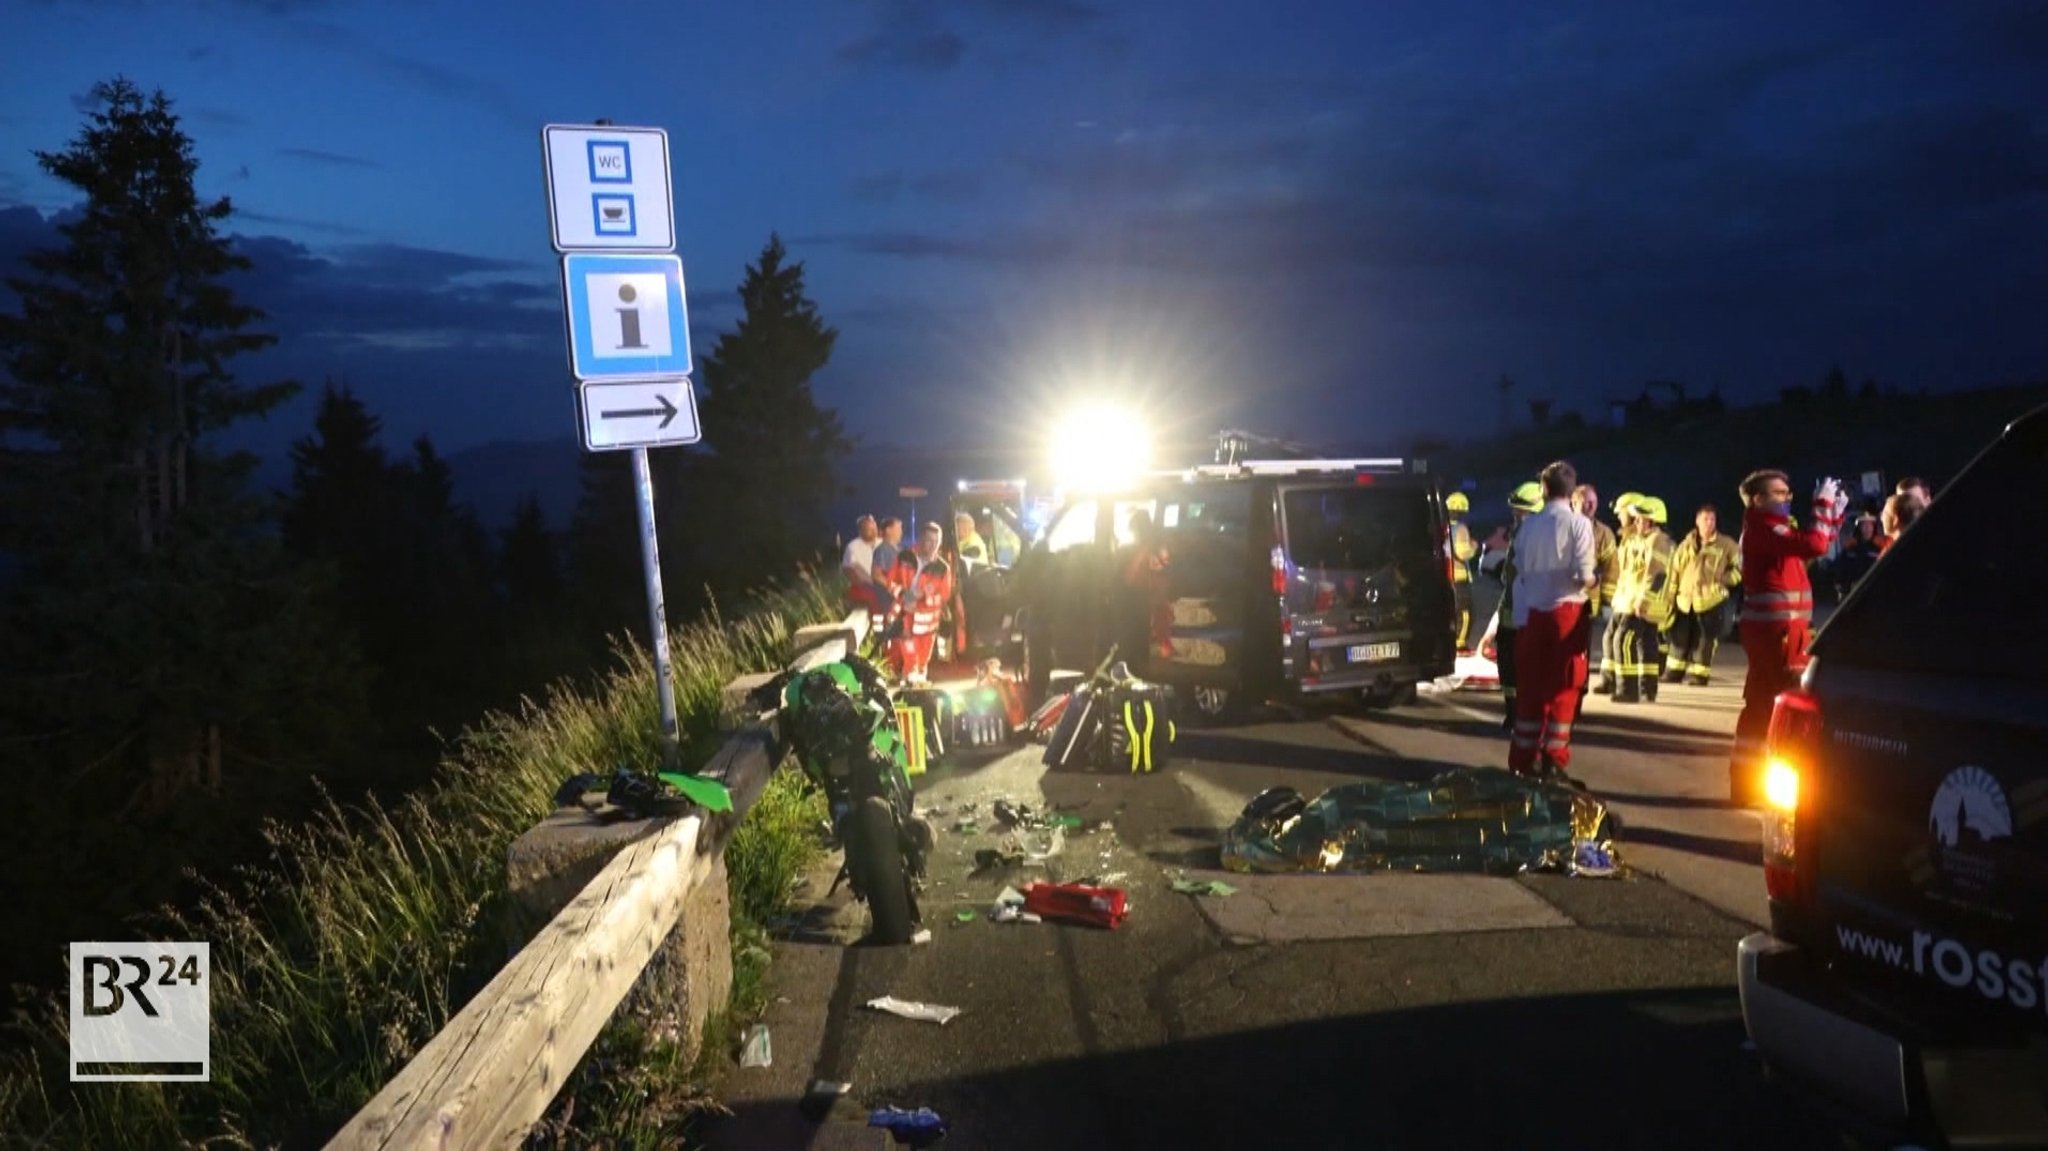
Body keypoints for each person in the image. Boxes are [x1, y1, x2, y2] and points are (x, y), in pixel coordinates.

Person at [1730, 469, 1846, 806]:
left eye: (1788, 493)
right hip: (1775, 634)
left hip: (1781, 632)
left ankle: (1749, 785)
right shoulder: (1763, 529)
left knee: (1762, 705)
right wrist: (1823, 506)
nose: (1787, 499)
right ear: (1758, 499)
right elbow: (1814, 543)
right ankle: (1767, 786)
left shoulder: (1770, 528)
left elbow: (1815, 548)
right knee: (1780, 706)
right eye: (1780, 493)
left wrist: (1833, 515)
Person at [1508, 461, 1597, 781]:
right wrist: (1594, 582)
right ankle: (1553, 760)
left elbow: (1519, 568)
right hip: (1566, 617)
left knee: (1530, 690)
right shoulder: (1578, 525)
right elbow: (1582, 575)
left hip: (1531, 616)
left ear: (1543, 490)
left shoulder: (1527, 527)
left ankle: (1522, 760)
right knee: (1563, 690)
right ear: (1571, 491)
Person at [1482, 480, 1544, 732]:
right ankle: (1513, 713)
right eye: (1515, 511)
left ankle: (1525, 717)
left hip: (1527, 620)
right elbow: (1509, 585)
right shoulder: (1520, 536)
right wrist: (1493, 627)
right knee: (1508, 671)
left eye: (1521, 512)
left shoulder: (1541, 542)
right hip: (1510, 619)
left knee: (1526, 672)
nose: (1516, 516)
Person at [1666, 504, 1742, 685]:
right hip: (1685, 600)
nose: (1709, 523)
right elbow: (1674, 572)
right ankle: (1674, 672)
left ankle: (1699, 675)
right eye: (1706, 519)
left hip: (1711, 600)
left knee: (1704, 640)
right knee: (1680, 636)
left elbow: (1740, 569)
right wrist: (1670, 596)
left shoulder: (1726, 544)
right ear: (1697, 521)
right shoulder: (1685, 545)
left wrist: (1724, 580)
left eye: (1712, 519)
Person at [1611, 496, 1676, 704]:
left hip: (1642, 602)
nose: (1636, 522)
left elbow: (1657, 575)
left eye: (1640, 519)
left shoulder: (1658, 540)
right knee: (1647, 644)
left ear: (1653, 521)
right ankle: (1648, 689)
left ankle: (1627, 690)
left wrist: (1644, 600)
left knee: (1623, 640)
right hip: (1637, 600)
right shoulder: (1643, 539)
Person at [889, 522, 954, 684]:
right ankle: (910, 677)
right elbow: (891, 582)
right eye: (929, 541)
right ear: (921, 539)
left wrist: (923, 596)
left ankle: (913, 686)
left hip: (927, 625)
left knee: (922, 662)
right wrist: (903, 595)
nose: (933, 545)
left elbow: (944, 596)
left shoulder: (942, 569)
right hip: (905, 616)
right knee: (910, 658)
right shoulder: (904, 558)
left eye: (937, 541)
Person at [1595, 493, 1641, 694]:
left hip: (1632, 599)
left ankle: (1624, 685)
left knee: (1620, 640)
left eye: (1621, 513)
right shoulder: (1627, 537)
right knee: (1611, 638)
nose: (1619, 517)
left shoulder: (1638, 539)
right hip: (1623, 598)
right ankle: (1610, 680)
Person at [1574, 484, 1620, 680]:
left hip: (1587, 601)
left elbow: (1612, 568)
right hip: (1558, 599)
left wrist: (1608, 602)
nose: (1590, 506)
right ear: (1573, 503)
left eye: (1593, 502)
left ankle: (1579, 682)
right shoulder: (1561, 526)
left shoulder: (1603, 533)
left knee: (1582, 644)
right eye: (1585, 502)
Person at [1117, 509, 1171, 671]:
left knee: (1143, 661)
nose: (1134, 537)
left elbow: (1131, 579)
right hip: (1150, 610)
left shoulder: (1148, 551)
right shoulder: (1156, 548)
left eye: (1134, 532)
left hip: (1148, 611)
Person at [1446, 492, 1479, 653]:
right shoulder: (1460, 528)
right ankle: (1460, 644)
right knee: (1465, 613)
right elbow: (1462, 552)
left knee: (1451, 611)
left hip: (1447, 576)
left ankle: (1450, 641)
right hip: (1459, 577)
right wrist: (1473, 546)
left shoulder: (1442, 526)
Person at [842, 515, 884, 615]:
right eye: (869, 529)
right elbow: (847, 569)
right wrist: (862, 582)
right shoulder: (853, 547)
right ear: (860, 531)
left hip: (884, 585)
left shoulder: (883, 544)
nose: (874, 531)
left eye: (875, 528)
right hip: (864, 587)